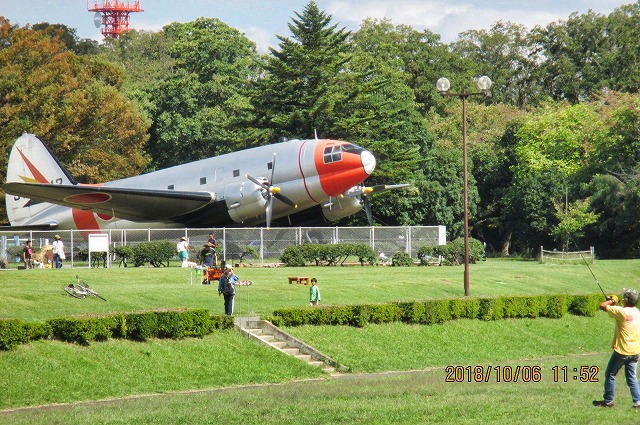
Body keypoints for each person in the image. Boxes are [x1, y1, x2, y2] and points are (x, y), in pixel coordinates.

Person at [593, 288, 640, 408]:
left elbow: (602, 306)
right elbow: (620, 311)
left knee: (610, 374)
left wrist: (612, 300)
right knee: (632, 377)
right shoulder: (636, 312)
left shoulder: (621, 312)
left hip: (622, 351)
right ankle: (637, 402)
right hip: (635, 351)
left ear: (625, 299)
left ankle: (608, 401)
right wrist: (615, 304)